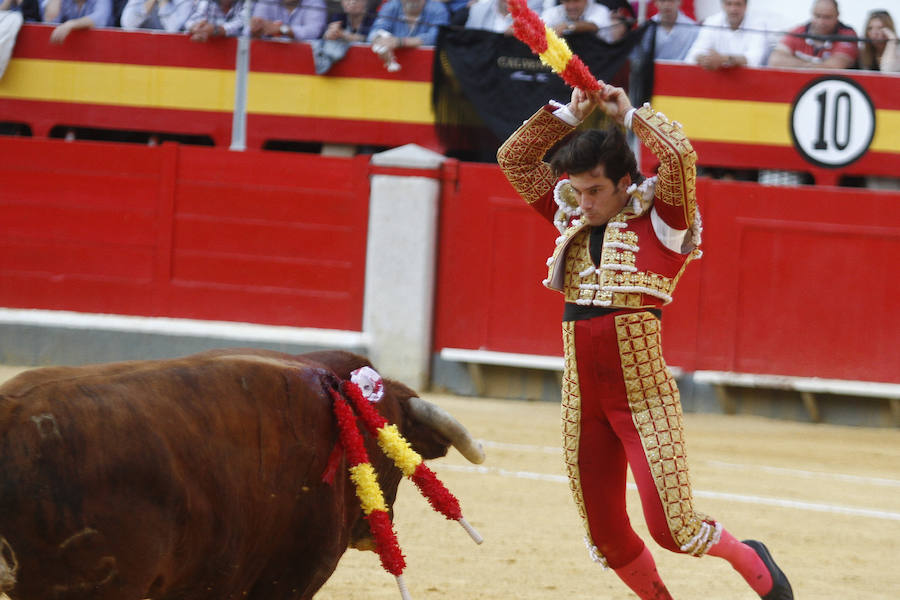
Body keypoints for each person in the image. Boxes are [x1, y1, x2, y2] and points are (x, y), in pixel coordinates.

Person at [496, 82, 794, 600]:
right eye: (579, 190)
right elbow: (515, 161)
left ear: (624, 183)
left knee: (674, 529)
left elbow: (679, 157)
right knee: (607, 537)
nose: (584, 202)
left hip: (644, 401)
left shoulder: (663, 222)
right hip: (582, 402)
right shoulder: (569, 215)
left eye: (596, 191)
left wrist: (629, 114)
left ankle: (751, 558)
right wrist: (570, 114)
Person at [767, 0, 857, 69]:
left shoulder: (847, 34)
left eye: (827, 17)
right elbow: (775, 60)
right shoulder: (799, 31)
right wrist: (814, 65)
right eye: (817, 16)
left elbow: (835, 67)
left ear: (837, 16)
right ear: (811, 14)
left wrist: (795, 63)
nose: (821, 22)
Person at [684, 0, 768, 70]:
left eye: (738, 4)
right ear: (722, 5)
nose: (733, 9)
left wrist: (723, 59)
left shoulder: (758, 24)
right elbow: (694, 53)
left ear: (745, 6)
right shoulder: (712, 21)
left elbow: (754, 59)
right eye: (729, 4)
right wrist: (705, 59)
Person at [367, 0, 448, 70]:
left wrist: (400, 42)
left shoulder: (438, 8)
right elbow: (375, 31)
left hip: (429, 70)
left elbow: (438, 36)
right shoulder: (391, 6)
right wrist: (381, 42)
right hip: (394, 75)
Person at [541, 0, 615, 43]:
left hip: (600, 62)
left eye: (576, 1)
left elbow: (594, 26)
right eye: (567, 1)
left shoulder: (600, 10)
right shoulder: (553, 12)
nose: (571, 6)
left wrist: (568, 26)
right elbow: (540, 27)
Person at [41, 0, 112, 43]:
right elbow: (49, 21)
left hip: (99, 50)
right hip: (66, 54)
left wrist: (71, 24)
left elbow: (99, 19)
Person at [119, 0, 195, 32]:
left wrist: (163, 2)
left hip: (175, 52)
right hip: (145, 48)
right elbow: (127, 25)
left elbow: (174, 29)